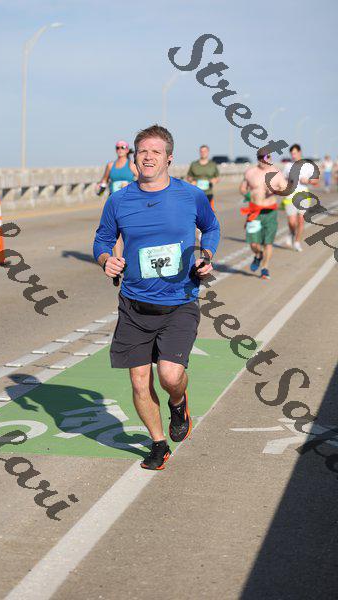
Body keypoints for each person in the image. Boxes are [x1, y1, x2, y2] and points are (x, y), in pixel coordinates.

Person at [93, 125, 220, 470]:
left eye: (155, 152)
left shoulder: (190, 195)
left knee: (169, 376)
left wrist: (207, 254)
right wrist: (106, 260)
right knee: (139, 381)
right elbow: (102, 240)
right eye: (142, 152)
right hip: (134, 304)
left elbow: (211, 227)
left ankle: (178, 403)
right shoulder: (119, 200)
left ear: (169, 159)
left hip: (179, 302)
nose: (148, 157)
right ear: (135, 158)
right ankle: (158, 443)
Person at [239, 150, 287, 280]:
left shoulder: (276, 173)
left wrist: (275, 190)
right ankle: (258, 254)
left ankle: (265, 268)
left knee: (268, 242)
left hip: (270, 212)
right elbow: (242, 188)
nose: (263, 160)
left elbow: (285, 189)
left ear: (270, 158)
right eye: (261, 157)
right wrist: (246, 194)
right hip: (254, 212)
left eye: (266, 157)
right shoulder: (250, 172)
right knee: (253, 243)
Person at [97, 141, 138, 257]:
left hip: (129, 201)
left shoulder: (131, 165)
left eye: (123, 147)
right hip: (113, 201)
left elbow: (142, 180)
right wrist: (100, 186)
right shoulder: (110, 165)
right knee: (115, 230)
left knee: (129, 229)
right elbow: (104, 180)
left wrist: (130, 184)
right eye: (118, 147)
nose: (120, 149)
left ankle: (131, 255)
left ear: (127, 150)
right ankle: (119, 258)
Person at [281, 144, 319, 251]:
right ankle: (291, 233)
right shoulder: (288, 166)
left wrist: (308, 181)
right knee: (292, 222)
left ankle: (297, 242)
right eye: (292, 154)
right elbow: (283, 179)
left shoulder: (308, 166)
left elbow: (316, 181)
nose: (293, 156)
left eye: (295, 153)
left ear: (299, 152)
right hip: (290, 196)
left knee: (301, 221)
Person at [186, 145, 220, 210]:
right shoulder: (194, 164)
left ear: (208, 152)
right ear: (199, 152)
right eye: (201, 151)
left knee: (208, 213)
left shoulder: (213, 164)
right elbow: (188, 176)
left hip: (208, 193)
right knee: (197, 212)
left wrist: (215, 180)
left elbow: (218, 177)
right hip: (196, 193)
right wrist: (191, 181)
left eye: (205, 151)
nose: (203, 153)